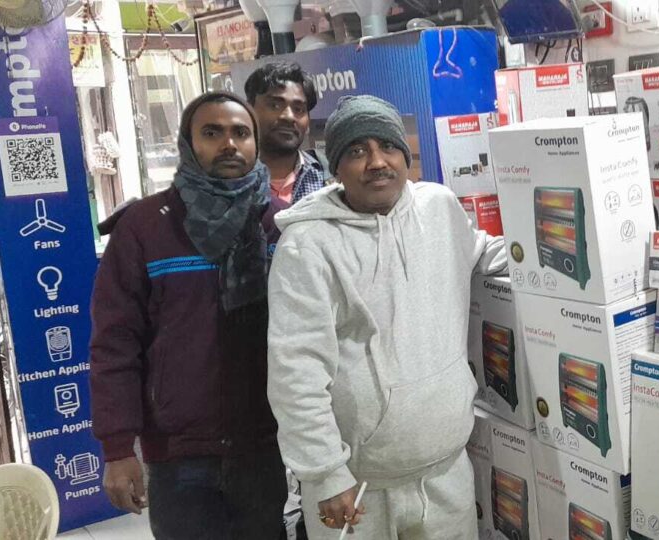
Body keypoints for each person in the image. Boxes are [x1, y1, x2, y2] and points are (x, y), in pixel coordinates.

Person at [266, 95, 505, 539]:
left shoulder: (438, 208)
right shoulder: (307, 246)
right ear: (336, 167)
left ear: (405, 156)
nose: (377, 162)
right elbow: (295, 371)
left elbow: (481, 252)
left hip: (446, 472)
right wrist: (325, 473)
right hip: (357, 489)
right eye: (358, 151)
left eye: (388, 147)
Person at [90, 91, 287, 539]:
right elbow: (115, 343)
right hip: (179, 454)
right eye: (212, 133)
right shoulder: (144, 227)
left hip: (264, 443)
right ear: (187, 143)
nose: (229, 144)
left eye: (241, 133)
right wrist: (117, 448)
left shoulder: (280, 224)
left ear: (256, 143)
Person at [245, 62, 329, 205]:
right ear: (249, 111)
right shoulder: (229, 180)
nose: (289, 117)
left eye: (299, 109)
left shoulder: (329, 178)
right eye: (275, 105)